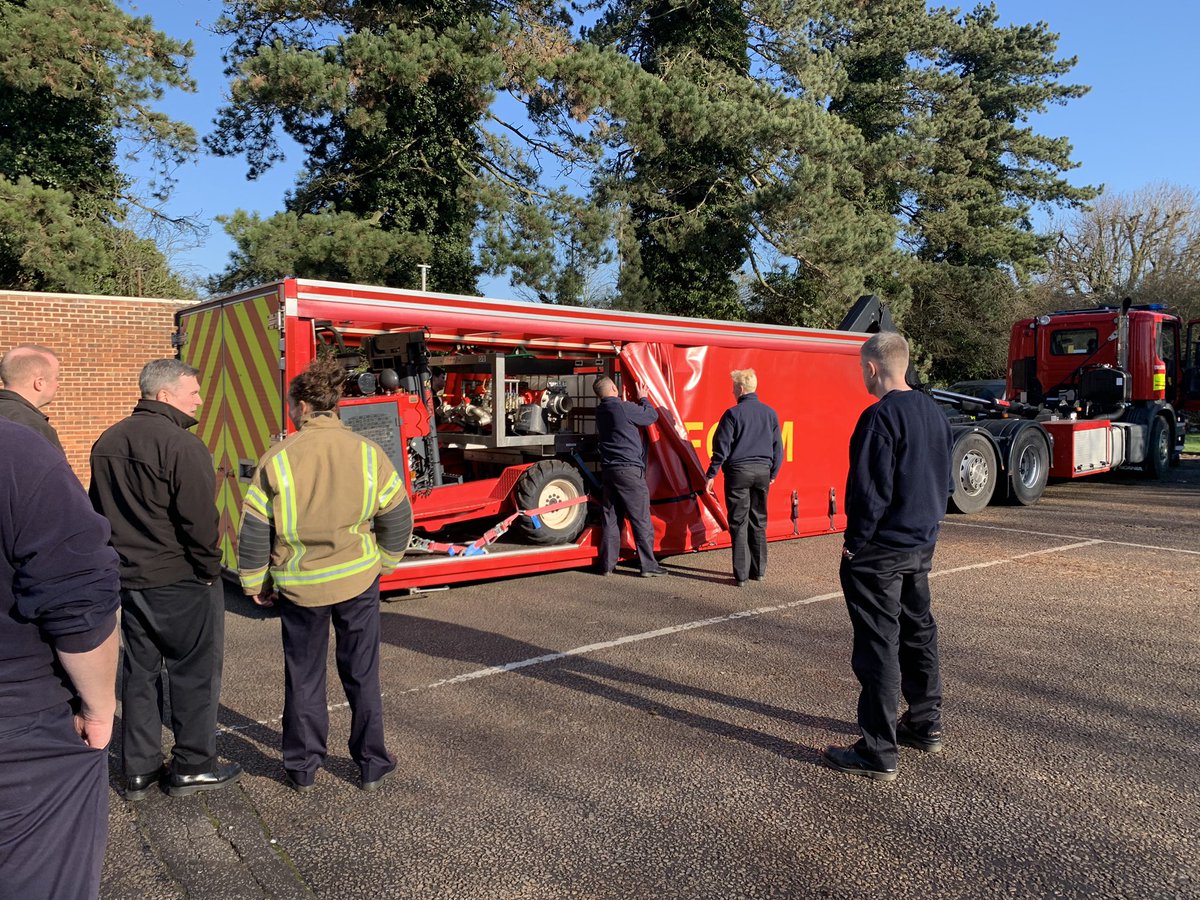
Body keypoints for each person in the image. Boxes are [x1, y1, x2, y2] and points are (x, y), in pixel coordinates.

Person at [238, 355, 414, 793]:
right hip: (357, 579)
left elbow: (255, 531)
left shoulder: (276, 459)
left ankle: (301, 768)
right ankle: (372, 763)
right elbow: (399, 518)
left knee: (304, 676)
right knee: (362, 672)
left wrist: (254, 582)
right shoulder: (369, 454)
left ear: (300, 407)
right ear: (336, 405)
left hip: (300, 586)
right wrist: (385, 564)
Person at [89, 359, 242, 799]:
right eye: (192, 392)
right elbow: (200, 522)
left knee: (139, 673)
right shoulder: (182, 445)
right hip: (180, 580)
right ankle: (193, 765)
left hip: (130, 580)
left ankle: (138, 770)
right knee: (193, 675)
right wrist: (210, 571)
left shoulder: (107, 441)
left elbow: (96, 511)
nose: (199, 400)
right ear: (164, 394)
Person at [822, 331, 954, 782]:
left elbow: (868, 491)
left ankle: (878, 750)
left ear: (872, 368)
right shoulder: (934, 412)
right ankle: (924, 723)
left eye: (863, 368)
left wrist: (854, 543)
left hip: (880, 551)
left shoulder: (878, 418)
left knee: (878, 646)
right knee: (919, 631)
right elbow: (944, 478)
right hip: (921, 543)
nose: (863, 374)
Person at [0, 419, 121, 899]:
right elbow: (77, 599)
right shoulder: (16, 450)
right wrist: (99, 706)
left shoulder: (106, 441)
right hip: (22, 736)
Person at [704, 369, 782, 587]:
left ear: (740, 388)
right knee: (759, 521)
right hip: (762, 472)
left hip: (738, 472)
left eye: (733, 387)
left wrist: (712, 473)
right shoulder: (770, 413)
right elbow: (778, 447)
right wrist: (773, 473)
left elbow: (721, 447)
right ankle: (759, 571)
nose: (731, 390)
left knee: (739, 522)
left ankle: (741, 576)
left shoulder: (732, 414)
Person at [593, 375, 668, 578]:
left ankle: (607, 565)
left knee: (610, 517)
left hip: (609, 470)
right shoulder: (623, 407)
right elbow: (651, 416)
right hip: (629, 470)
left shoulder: (600, 411)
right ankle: (648, 565)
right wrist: (643, 397)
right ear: (613, 389)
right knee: (640, 518)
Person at [0, 343, 64, 451]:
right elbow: (54, 467)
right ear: (39, 383)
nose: (58, 385)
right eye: (56, 378)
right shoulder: (34, 427)